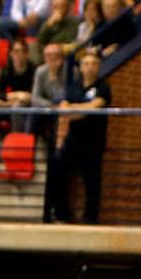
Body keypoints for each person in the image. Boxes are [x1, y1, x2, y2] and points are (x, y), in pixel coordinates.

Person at [47, 48, 109, 224]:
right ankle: (61, 214)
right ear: (81, 67)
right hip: (73, 140)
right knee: (58, 170)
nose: (90, 67)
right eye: (86, 64)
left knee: (92, 182)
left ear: (98, 67)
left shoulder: (103, 87)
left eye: (94, 64)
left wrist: (76, 109)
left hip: (93, 142)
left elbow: (94, 107)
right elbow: (64, 109)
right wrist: (80, 108)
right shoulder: (74, 87)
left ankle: (90, 219)